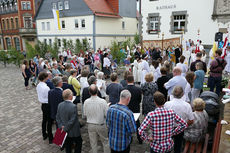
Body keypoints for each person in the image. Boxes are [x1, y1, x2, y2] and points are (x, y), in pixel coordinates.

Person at [164, 86, 194, 153]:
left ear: (173, 94)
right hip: (180, 128)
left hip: (169, 127)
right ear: (183, 94)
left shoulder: (167, 104)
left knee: (167, 145)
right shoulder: (187, 105)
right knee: (178, 146)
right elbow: (191, 120)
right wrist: (184, 125)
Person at [84, 84, 109, 153]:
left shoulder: (86, 102)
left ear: (89, 92)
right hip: (100, 124)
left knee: (93, 143)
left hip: (90, 125)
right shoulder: (103, 102)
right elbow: (107, 115)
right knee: (105, 142)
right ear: (97, 92)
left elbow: (85, 114)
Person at [124, 75, 143, 144]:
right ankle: (139, 138)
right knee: (137, 124)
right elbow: (139, 100)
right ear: (133, 80)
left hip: (127, 109)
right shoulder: (138, 89)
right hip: (135, 108)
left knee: (126, 124)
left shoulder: (124, 89)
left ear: (127, 81)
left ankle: (129, 138)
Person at [36, 72, 52, 141]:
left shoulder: (38, 85)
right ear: (45, 78)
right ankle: (50, 136)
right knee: (49, 121)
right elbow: (48, 97)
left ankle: (44, 134)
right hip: (47, 104)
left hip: (43, 104)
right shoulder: (46, 87)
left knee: (44, 120)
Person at [47, 76, 63, 144]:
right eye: (61, 81)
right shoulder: (61, 93)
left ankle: (59, 140)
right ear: (59, 83)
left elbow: (49, 102)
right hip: (61, 113)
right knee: (61, 128)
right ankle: (61, 142)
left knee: (57, 126)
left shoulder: (50, 92)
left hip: (54, 112)